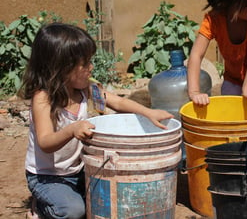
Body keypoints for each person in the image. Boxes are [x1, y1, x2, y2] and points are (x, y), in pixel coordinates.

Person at [20, 23, 173, 219]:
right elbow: (45, 142)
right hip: (47, 177)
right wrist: (72, 129)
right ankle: (40, 208)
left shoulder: (85, 89)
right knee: (73, 212)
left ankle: (67, 197)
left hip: (77, 170)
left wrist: (147, 113)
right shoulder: (43, 98)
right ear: (61, 68)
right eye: (84, 64)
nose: (91, 67)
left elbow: (116, 101)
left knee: (108, 197)